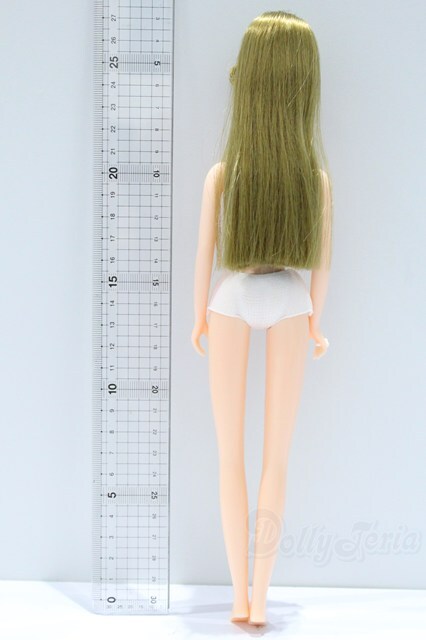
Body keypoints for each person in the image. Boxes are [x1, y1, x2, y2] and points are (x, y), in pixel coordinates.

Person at [191, 10, 333, 626]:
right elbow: (322, 264)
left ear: (245, 80)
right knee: (275, 457)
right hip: (290, 302)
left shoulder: (226, 174)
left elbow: (204, 256)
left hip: (233, 298)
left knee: (233, 455)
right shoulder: (313, 181)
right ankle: (256, 597)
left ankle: (245, 596)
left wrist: (198, 317)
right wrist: (316, 324)